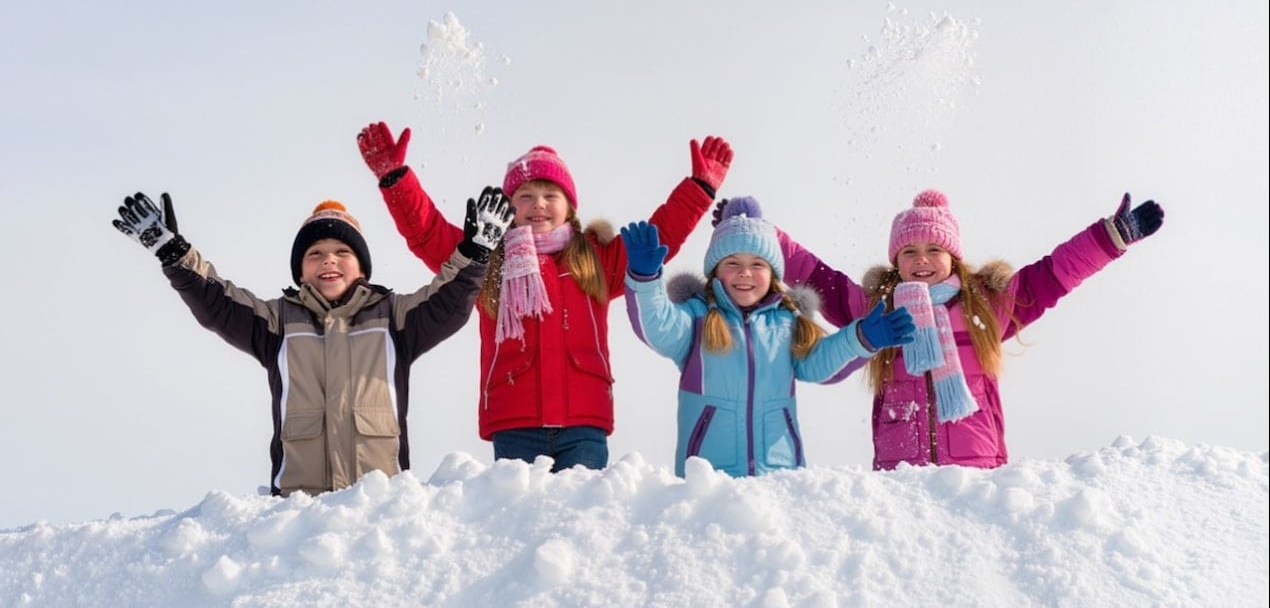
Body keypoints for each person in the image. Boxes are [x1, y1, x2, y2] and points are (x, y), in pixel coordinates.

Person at [355, 121, 733, 471]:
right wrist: (395, 179)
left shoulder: (597, 257)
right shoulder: (486, 258)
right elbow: (428, 233)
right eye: (526, 195)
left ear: (570, 207)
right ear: (508, 207)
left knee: (582, 520)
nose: (538, 204)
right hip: (514, 420)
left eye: (551, 194)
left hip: (584, 422)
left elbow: (662, 233)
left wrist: (699, 188)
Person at [111, 187, 513, 495]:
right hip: (298, 509)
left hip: (381, 506)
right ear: (301, 271)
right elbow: (216, 301)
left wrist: (476, 254)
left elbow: (449, 303)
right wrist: (173, 253)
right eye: (315, 254)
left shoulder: (394, 318)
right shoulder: (277, 323)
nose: (329, 261)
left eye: (342, 251)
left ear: (362, 267)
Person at [773, 188, 1165, 470]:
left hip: (976, 470)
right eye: (909, 252)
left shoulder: (987, 306)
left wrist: (1109, 237)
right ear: (896, 261)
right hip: (899, 473)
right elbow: (816, 275)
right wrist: (763, 238)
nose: (921, 260)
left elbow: (1054, 272)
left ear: (952, 256)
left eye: (933, 251)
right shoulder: (878, 309)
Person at [620, 197, 916, 478]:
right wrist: (645, 281)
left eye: (757, 264)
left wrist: (861, 338)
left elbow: (818, 364)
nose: (745, 273)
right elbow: (657, 325)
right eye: (732, 263)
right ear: (715, 271)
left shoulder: (786, 322)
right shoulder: (696, 320)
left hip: (779, 475)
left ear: (773, 273)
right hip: (708, 478)